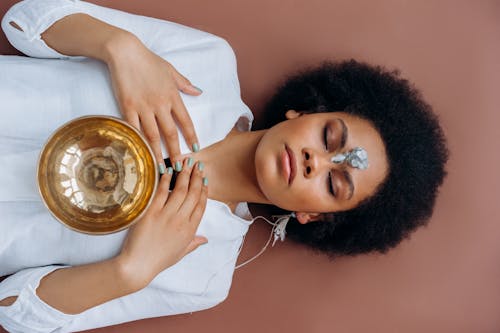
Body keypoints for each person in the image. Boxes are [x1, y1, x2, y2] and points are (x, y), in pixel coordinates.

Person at [0, 0, 448, 332]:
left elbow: (11, 308)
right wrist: (121, 47)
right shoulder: (209, 60)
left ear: (314, 217)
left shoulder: (203, 276)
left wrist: (129, 273)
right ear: (304, 112)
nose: (316, 160)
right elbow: (21, 21)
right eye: (329, 137)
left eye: (335, 183)